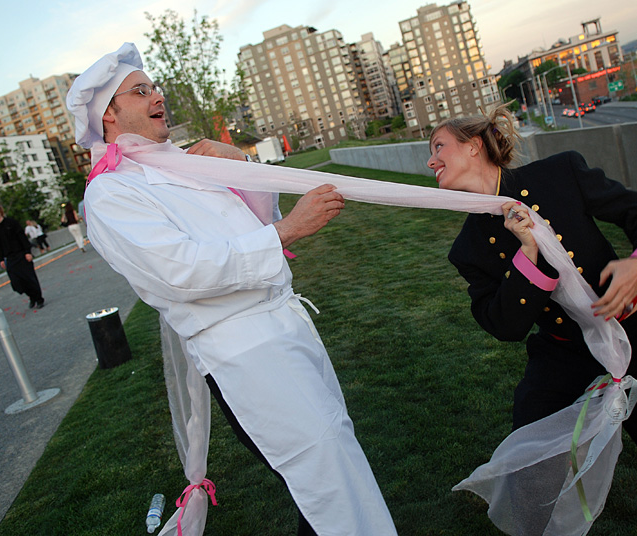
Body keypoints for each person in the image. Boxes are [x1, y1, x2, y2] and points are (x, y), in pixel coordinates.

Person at [66, 43, 396, 535]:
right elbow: (178, 271)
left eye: (154, 86)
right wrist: (287, 233)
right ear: (108, 116)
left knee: (334, 462)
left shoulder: (177, 163)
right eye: (140, 91)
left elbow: (254, 218)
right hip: (244, 351)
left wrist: (236, 161)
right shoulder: (110, 192)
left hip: (286, 324)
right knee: (326, 475)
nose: (157, 96)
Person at [427, 104, 637, 535]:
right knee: (528, 461)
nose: (431, 160)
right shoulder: (468, 248)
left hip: (634, 333)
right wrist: (527, 254)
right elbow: (506, 325)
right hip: (561, 352)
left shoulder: (559, 173)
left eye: (439, 146)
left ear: (474, 146)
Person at [0, 205, 45, 309]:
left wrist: (27, 252)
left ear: (0, 211)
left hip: (21, 255)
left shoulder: (11, 223)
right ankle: (31, 296)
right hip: (10, 258)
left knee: (29, 278)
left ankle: (38, 299)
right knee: (16, 282)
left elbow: (22, 237)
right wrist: (1, 259)